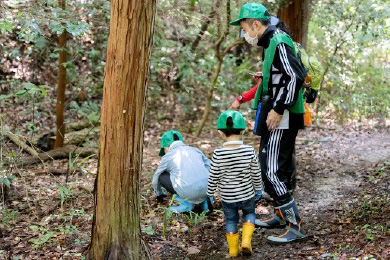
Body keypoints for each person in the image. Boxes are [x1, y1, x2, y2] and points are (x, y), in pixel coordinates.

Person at [229, 3, 307, 244]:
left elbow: (295, 76)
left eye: (244, 28)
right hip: (277, 113)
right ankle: (281, 216)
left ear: (255, 24)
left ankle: (295, 225)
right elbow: (283, 74)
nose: (244, 35)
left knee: (270, 170)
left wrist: (278, 108)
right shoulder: (272, 42)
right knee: (276, 167)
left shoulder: (278, 40)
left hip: (281, 116)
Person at [207, 110, 263, 257]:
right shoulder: (249, 151)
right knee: (249, 213)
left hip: (228, 197)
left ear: (220, 132)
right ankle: (245, 241)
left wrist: (210, 193)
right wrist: (259, 189)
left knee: (231, 220)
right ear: (243, 131)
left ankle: (233, 250)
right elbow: (256, 173)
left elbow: (213, 176)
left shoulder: (218, 153)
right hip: (247, 194)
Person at [152, 130, 211, 213]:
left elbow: (156, 177)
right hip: (207, 190)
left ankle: (186, 204)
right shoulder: (195, 150)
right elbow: (210, 167)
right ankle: (206, 203)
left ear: (166, 147)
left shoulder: (168, 156)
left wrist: (158, 194)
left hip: (188, 193)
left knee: (161, 176)